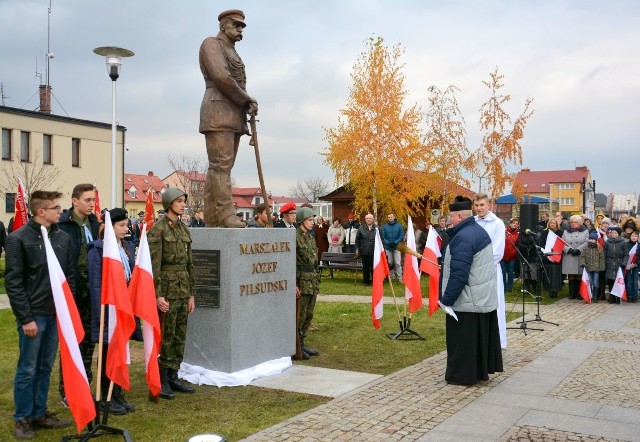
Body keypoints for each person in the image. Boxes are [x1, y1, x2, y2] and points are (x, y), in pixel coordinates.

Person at [6, 191, 72, 438]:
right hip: (34, 315)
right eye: (56, 207)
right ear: (41, 212)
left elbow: (68, 277)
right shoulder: (18, 239)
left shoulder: (62, 238)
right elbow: (14, 282)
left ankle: (39, 412)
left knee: (45, 367)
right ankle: (22, 418)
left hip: (56, 314)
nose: (60, 211)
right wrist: (26, 318)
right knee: (28, 368)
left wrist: (66, 312)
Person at [199, 9, 258, 228]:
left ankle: (212, 217)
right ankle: (225, 214)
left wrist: (245, 104)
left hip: (234, 115)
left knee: (220, 168)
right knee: (221, 166)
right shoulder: (211, 44)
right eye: (236, 24)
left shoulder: (233, 51)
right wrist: (246, 98)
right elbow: (222, 77)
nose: (240, 29)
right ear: (224, 24)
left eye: (243, 26)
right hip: (217, 111)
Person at [439, 195, 503, 385]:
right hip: (480, 297)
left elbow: (460, 273)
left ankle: (462, 375)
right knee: (477, 341)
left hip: (467, 300)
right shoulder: (477, 231)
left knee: (464, 342)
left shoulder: (463, 237)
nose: (450, 220)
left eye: (451, 216)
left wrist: (447, 299)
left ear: (459, 216)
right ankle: (478, 372)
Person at [87, 208, 139, 415]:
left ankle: (116, 392)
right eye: (122, 225)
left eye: (127, 225)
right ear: (110, 226)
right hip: (108, 308)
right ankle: (104, 394)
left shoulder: (125, 247)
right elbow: (96, 284)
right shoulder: (98, 250)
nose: (126, 229)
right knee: (109, 351)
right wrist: (101, 316)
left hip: (123, 307)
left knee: (121, 351)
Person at [148, 188, 196, 399]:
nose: (182, 205)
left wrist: (191, 294)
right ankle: (162, 378)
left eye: (184, 201)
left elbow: (190, 264)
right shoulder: (157, 230)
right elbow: (154, 266)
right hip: (166, 291)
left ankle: (173, 374)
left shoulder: (184, 229)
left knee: (179, 336)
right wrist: (157, 295)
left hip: (182, 290)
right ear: (168, 204)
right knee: (166, 336)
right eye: (178, 201)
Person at [57, 183, 100, 406]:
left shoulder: (95, 224)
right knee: (72, 337)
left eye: (93, 200)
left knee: (90, 337)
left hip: (92, 285)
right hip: (72, 285)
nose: (92, 204)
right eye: (87, 200)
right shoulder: (64, 225)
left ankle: (85, 384)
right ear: (74, 201)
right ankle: (67, 389)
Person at [473, 193, 506, 349]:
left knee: (494, 304)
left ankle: (496, 341)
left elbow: (498, 251)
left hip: (490, 269)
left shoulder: (497, 223)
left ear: (489, 206)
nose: (479, 208)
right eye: (477, 205)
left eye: (482, 205)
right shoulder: (472, 222)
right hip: (473, 271)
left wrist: (480, 264)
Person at [295, 207, 320, 360]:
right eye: (310, 220)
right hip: (302, 280)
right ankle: (296, 346)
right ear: (301, 221)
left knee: (309, 313)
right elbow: (293, 262)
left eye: (312, 220)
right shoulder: (295, 237)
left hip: (312, 280)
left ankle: (303, 343)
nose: (312, 223)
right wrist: (294, 284)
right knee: (301, 314)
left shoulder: (310, 237)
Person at [562, 214, 589, 300]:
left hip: (580, 255)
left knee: (579, 275)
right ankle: (571, 293)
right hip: (569, 255)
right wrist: (568, 250)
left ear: (580, 223)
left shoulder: (585, 231)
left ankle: (579, 293)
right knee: (571, 274)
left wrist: (578, 249)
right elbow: (561, 243)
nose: (573, 223)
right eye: (572, 222)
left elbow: (587, 242)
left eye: (576, 222)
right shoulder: (565, 232)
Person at [538, 218, 564, 298]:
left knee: (556, 275)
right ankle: (549, 290)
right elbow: (541, 243)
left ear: (557, 224)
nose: (552, 224)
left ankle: (555, 291)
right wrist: (547, 252)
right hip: (547, 257)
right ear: (548, 224)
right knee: (548, 274)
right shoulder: (545, 233)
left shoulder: (561, 233)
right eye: (551, 223)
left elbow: (561, 244)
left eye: (554, 223)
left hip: (557, 256)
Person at [603, 226, 626, 304]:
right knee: (610, 281)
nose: (614, 234)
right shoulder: (607, 242)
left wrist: (624, 263)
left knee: (618, 281)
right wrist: (605, 263)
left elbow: (626, 255)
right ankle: (612, 297)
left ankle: (618, 297)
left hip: (619, 264)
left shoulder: (623, 243)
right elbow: (604, 254)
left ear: (618, 234)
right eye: (612, 233)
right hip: (609, 264)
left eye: (615, 233)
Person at [580, 231, 605, 303]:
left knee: (595, 282)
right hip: (588, 268)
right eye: (590, 239)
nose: (591, 240)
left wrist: (602, 267)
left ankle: (595, 297)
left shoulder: (599, 248)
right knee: (589, 282)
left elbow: (602, 259)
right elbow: (582, 257)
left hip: (597, 269)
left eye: (593, 239)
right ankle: (589, 296)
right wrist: (582, 263)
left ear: (596, 240)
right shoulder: (585, 248)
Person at [355, 213, 376, 286]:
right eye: (367, 218)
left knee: (374, 268)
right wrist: (357, 249)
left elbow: (381, 240)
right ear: (365, 219)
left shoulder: (377, 228)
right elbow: (357, 240)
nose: (368, 220)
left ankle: (374, 281)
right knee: (365, 268)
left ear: (373, 219)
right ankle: (366, 282)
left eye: (370, 218)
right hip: (364, 250)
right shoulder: (361, 228)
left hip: (374, 251)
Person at [381, 213, 404, 280]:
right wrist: (387, 242)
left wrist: (395, 242)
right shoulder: (385, 226)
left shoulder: (399, 226)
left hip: (396, 247)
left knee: (397, 263)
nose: (390, 218)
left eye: (391, 217)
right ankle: (392, 276)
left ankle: (400, 277)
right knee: (390, 263)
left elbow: (401, 235)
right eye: (389, 217)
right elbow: (383, 236)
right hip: (388, 247)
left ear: (394, 217)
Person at [501, 218, 519, 292]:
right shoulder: (504, 231)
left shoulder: (518, 234)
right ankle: (503, 287)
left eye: (516, 223)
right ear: (510, 223)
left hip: (512, 256)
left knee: (511, 272)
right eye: (514, 223)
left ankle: (510, 288)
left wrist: (515, 252)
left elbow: (518, 245)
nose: (515, 224)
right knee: (503, 272)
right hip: (503, 256)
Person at [624, 231, 639, 303]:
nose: (634, 237)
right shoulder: (626, 245)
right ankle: (629, 296)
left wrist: (635, 264)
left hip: (636, 266)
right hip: (628, 266)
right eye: (632, 236)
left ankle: (635, 297)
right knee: (629, 281)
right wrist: (628, 264)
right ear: (630, 237)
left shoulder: (639, 245)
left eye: (636, 236)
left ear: (638, 237)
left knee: (635, 282)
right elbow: (624, 255)